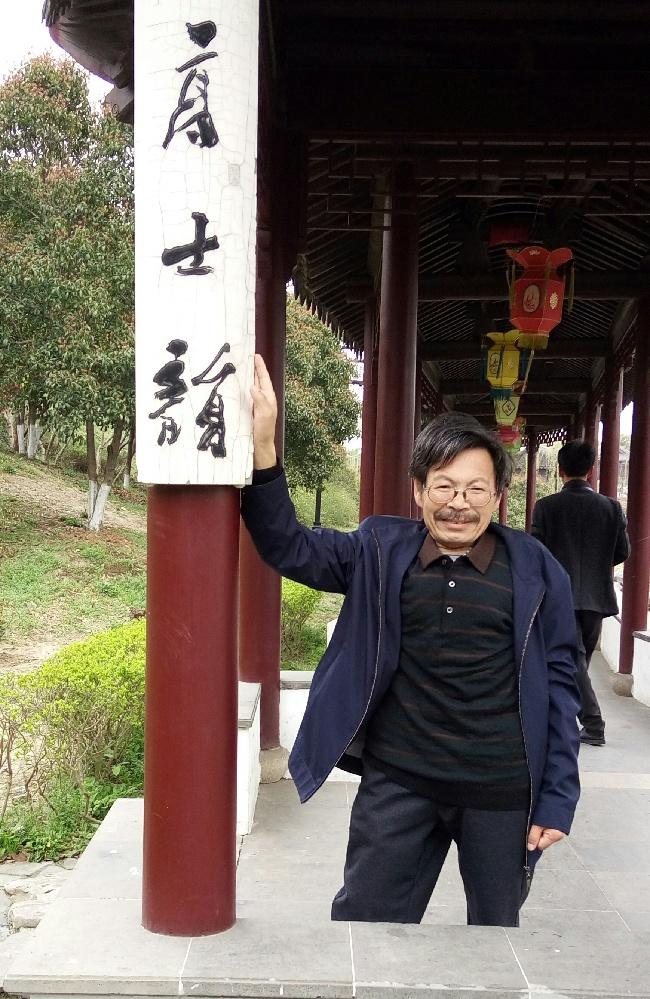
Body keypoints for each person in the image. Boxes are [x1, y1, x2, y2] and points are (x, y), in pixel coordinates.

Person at [241, 354, 580, 928]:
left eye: (476, 488)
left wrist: (557, 797)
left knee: (495, 938)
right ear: (419, 490)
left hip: (501, 789)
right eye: (443, 485)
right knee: (366, 926)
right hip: (399, 779)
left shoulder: (536, 568)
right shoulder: (378, 549)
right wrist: (265, 449)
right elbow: (288, 545)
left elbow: (563, 683)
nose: (459, 502)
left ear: (498, 495)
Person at [531, 440, 631, 747]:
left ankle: (593, 723)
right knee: (577, 661)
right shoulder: (611, 507)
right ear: (591, 470)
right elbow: (622, 551)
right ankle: (570, 717)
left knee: (574, 662)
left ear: (559, 470)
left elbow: (536, 553)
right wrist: (596, 566)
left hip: (559, 597)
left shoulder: (546, 507)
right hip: (597, 597)